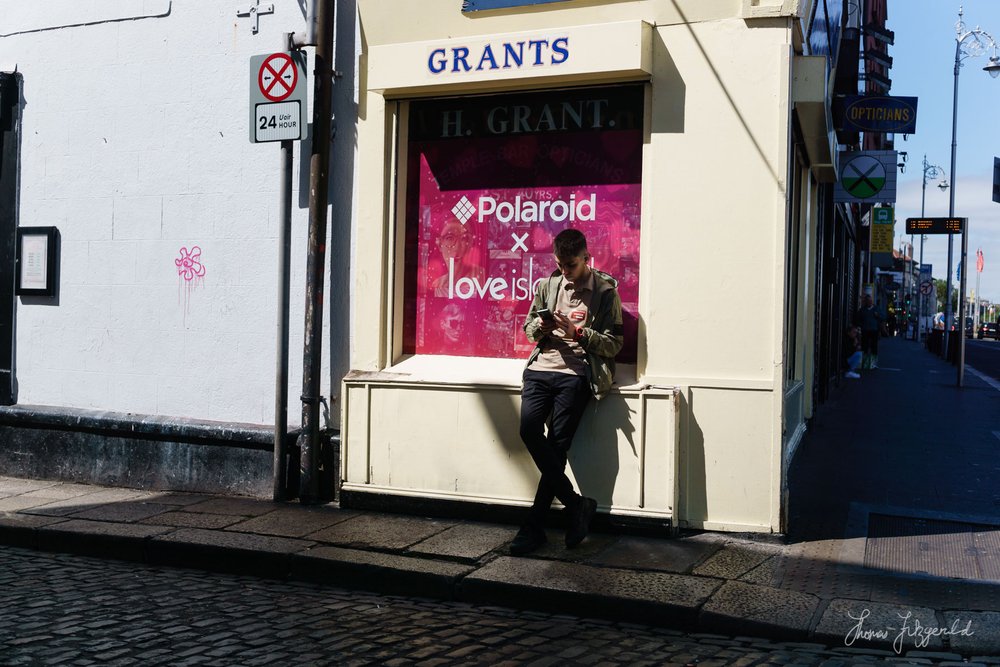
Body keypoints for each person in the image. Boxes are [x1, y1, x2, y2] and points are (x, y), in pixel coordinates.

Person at [509, 229, 624, 556]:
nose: (564, 271)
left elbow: (615, 343)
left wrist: (579, 333)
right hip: (541, 369)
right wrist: (541, 328)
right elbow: (529, 327)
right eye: (559, 264)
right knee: (529, 430)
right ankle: (576, 504)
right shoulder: (548, 286)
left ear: (587, 258)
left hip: (576, 373)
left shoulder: (604, 293)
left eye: (570, 265)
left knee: (557, 447)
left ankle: (533, 528)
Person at [430, 221, 484, 297]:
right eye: (449, 238)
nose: (457, 247)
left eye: (464, 238)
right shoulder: (437, 284)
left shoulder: (482, 276)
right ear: (439, 245)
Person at [854, 294, 883, 370]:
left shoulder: (876, 309)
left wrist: (877, 316)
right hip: (865, 330)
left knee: (874, 347)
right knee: (865, 346)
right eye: (868, 301)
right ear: (865, 302)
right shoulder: (862, 310)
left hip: (874, 330)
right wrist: (860, 325)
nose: (869, 302)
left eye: (870, 301)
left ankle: (873, 364)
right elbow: (857, 319)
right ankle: (865, 363)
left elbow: (883, 317)